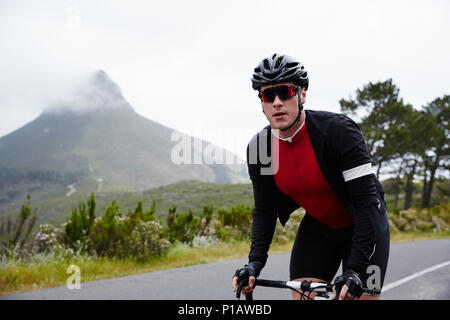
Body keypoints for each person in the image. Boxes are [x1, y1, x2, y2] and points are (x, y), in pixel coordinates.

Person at [232, 53, 390, 300]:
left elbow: (366, 203)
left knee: (356, 296)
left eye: (285, 92)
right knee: (302, 294)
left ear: (302, 94)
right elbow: (264, 211)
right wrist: (254, 264)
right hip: (320, 227)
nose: (276, 102)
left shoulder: (339, 133)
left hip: (366, 225)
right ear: (261, 101)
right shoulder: (260, 148)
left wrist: (355, 269)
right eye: (267, 95)